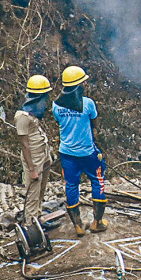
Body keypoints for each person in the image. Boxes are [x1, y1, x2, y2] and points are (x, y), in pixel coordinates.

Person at [52, 66, 108, 236]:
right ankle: (97, 222)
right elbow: (93, 124)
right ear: (78, 86)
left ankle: (78, 225)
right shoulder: (88, 103)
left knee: (71, 185)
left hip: (67, 153)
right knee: (98, 180)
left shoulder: (55, 105)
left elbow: (59, 122)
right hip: (87, 153)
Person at [15, 75, 53, 224]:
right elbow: (24, 144)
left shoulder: (33, 113)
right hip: (34, 158)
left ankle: (38, 216)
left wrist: (48, 154)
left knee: (41, 189)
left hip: (43, 154)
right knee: (33, 192)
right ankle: (31, 225)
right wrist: (31, 169)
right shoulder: (22, 117)